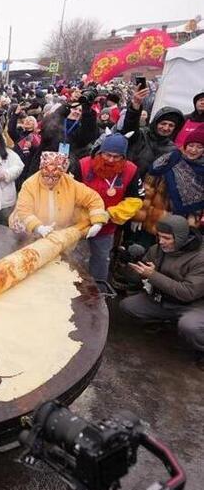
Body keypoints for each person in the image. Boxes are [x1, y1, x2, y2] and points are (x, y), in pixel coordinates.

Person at [119, 215, 204, 368]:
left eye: (166, 238)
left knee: (190, 326)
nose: (161, 241)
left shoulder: (200, 258)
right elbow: (135, 279)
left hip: (194, 305)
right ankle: (164, 320)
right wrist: (129, 262)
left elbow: (188, 292)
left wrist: (152, 275)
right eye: (159, 236)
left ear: (180, 238)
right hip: (163, 300)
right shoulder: (157, 249)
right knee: (128, 306)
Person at [77, 133, 144, 282]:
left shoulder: (131, 170)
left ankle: (97, 293)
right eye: (107, 155)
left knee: (100, 261)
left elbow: (136, 199)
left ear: (124, 157)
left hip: (106, 227)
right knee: (75, 260)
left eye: (117, 157)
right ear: (101, 151)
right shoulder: (83, 164)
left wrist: (110, 215)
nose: (111, 160)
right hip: (79, 224)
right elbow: (70, 193)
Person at [10, 151, 107, 237]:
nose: (50, 179)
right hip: (30, 232)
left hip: (60, 232)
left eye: (55, 177)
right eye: (46, 175)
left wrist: (98, 222)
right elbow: (24, 210)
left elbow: (92, 198)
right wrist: (38, 227)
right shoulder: (30, 184)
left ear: (62, 173)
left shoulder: (70, 183)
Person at [134, 127, 204, 234]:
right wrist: (140, 215)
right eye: (191, 145)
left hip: (186, 223)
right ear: (185, 146)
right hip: (156, 217)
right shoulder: (170, 159)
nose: (194, 150)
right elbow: (148, 190)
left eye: (199, 147)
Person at [121, 88, 184, 176]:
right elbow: (129, 127)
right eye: (163, 123)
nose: (166, 128)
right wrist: (135, 107)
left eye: (171, 125)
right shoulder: (141, 135)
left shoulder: (173, 150)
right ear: (156, 123)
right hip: (130, 182)